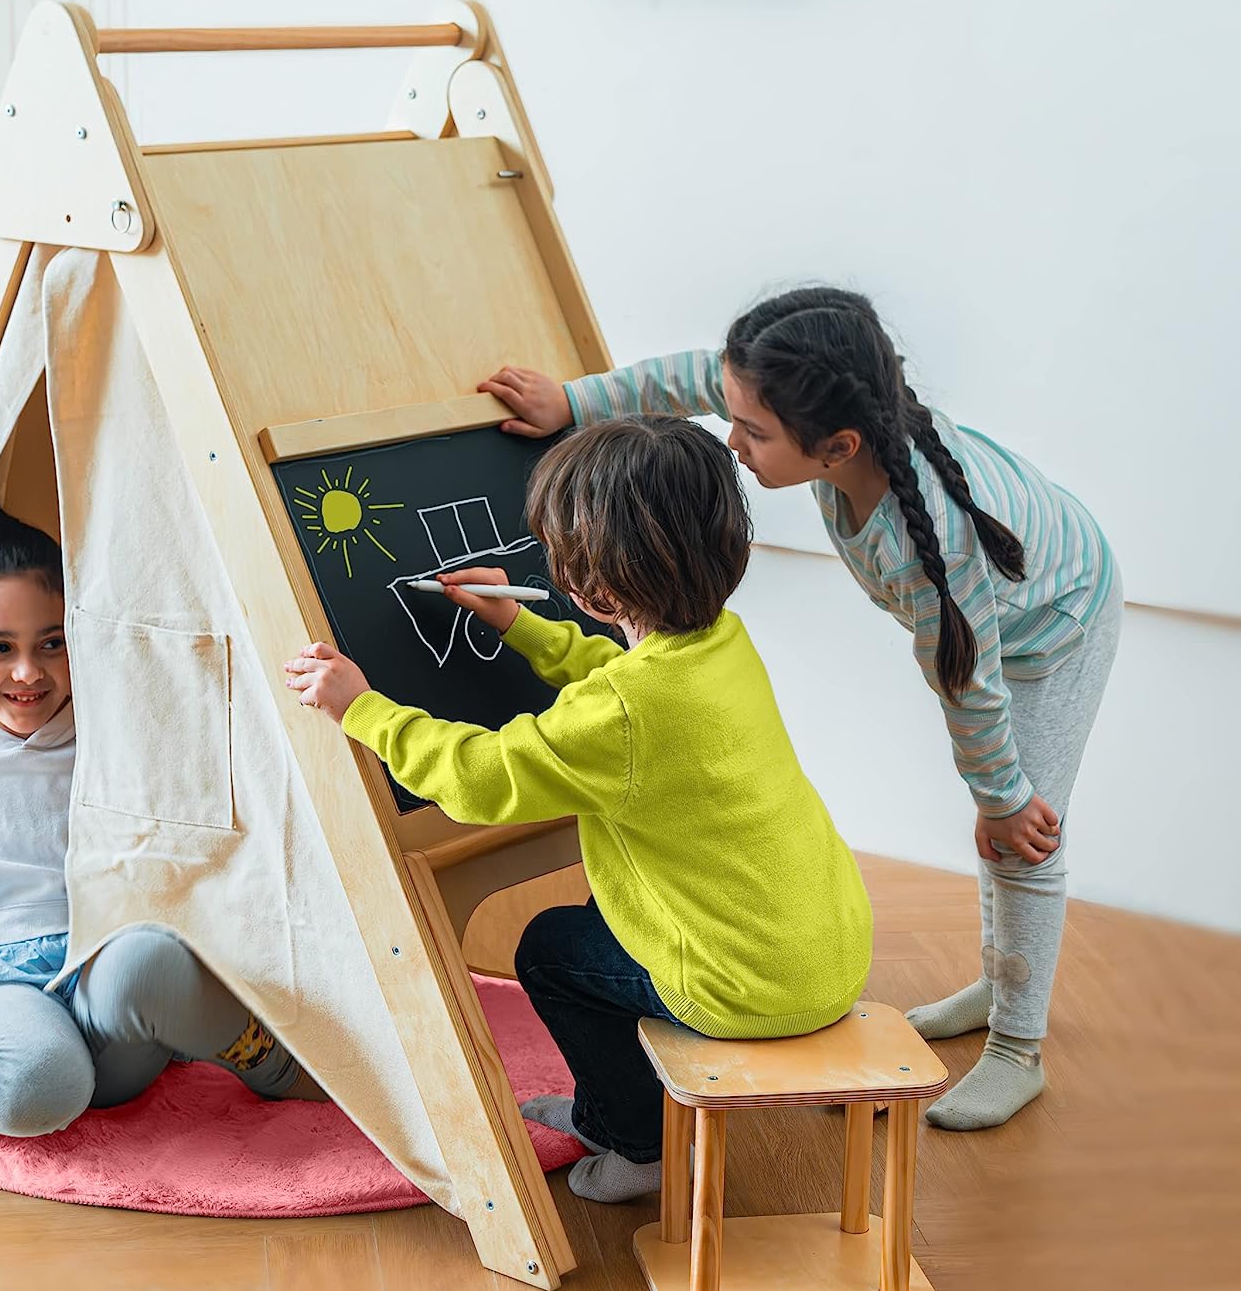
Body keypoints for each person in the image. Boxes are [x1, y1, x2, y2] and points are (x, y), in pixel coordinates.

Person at [478, 285, 1120, 1129]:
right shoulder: (815, 416)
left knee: (1024, 840)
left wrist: (1000, 798)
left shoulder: (933, 555)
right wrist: (576, 400)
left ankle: (1016, 1047)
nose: (733, 441)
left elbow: (969, 681)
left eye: (753, 433)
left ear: (836, 446)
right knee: (1004, 826)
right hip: (989, 623)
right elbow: (688, 379)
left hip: (1055, 624)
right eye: (736, 418)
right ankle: (995, 986)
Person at [285, 416, 871, 1200]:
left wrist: (363, 708)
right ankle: (615, 1104)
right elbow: (616, 677)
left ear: (591, 586)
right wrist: (518, 623)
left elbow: (482, 776)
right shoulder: (720, 644)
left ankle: (638, 1143)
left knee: (552, 951)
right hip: (825, 952)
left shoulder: (625, 714)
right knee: (603, 924)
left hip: (744, 985)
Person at [0, 502, 323, 1136]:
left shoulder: (111, 738)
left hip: (103, 990)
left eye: (51, 644)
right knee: (41, 1083)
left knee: (154, 957)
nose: (28, 672)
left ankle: (277, 1070)